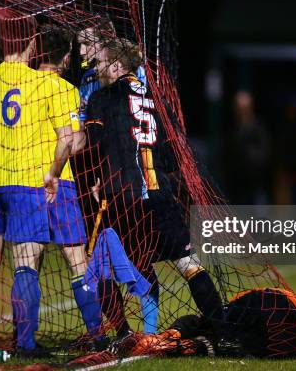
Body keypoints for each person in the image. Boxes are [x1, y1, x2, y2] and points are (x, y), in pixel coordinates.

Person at [0, 20, 102, 357]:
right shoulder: (47, 85)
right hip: (35, 181)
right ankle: (46, 340)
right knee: (41, 261)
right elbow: (70, 141)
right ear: (30, 45)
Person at [85, 38, 229, 348]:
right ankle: (224, 332)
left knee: (103, 266)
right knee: (188, 264)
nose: (98, 71)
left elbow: (93, 146)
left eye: (101, 64)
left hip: (121, 194)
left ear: (116, 65)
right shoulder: (157, 99)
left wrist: (97, 178)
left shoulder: (102, 98)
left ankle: (124, 334)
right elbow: (171, 155)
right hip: (161, 194)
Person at [131, 287, 296, 359]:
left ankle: (171, 340)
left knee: (219, 335)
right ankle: (173, 343)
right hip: (284, 314)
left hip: (279, 310)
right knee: (223, 340)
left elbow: (199, 320)